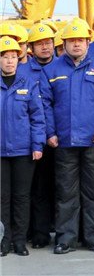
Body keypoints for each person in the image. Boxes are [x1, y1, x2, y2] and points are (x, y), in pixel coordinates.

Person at [40, 18, 94, 255]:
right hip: (64, 142)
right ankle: (66, 238)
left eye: (80, 40)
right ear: (64, 44)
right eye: (71, 40)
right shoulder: (51, 71)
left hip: (93, 141)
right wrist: (51, 133)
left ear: (88, 42)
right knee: (66, 193)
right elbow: (45, 104)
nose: (76, 44)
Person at [0, 36, 45, 256]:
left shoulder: (28, 84)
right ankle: (4, 240)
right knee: (2, 198)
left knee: (21, 197)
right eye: (5, 57)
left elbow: (37, 118)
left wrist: (38, 145)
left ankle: (19, 241)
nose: (10, 61)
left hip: (23, 151)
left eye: (13, 57)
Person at [21, 24, 57, 249]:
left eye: (48, 42)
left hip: (59, 138)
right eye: (40, 44)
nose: (45, 47)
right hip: (34, 139)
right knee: (38, 188)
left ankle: (64, 229)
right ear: (32, 48)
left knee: (62, 187)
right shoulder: (22, 72)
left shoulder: (62, 67)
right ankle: (39, 233)